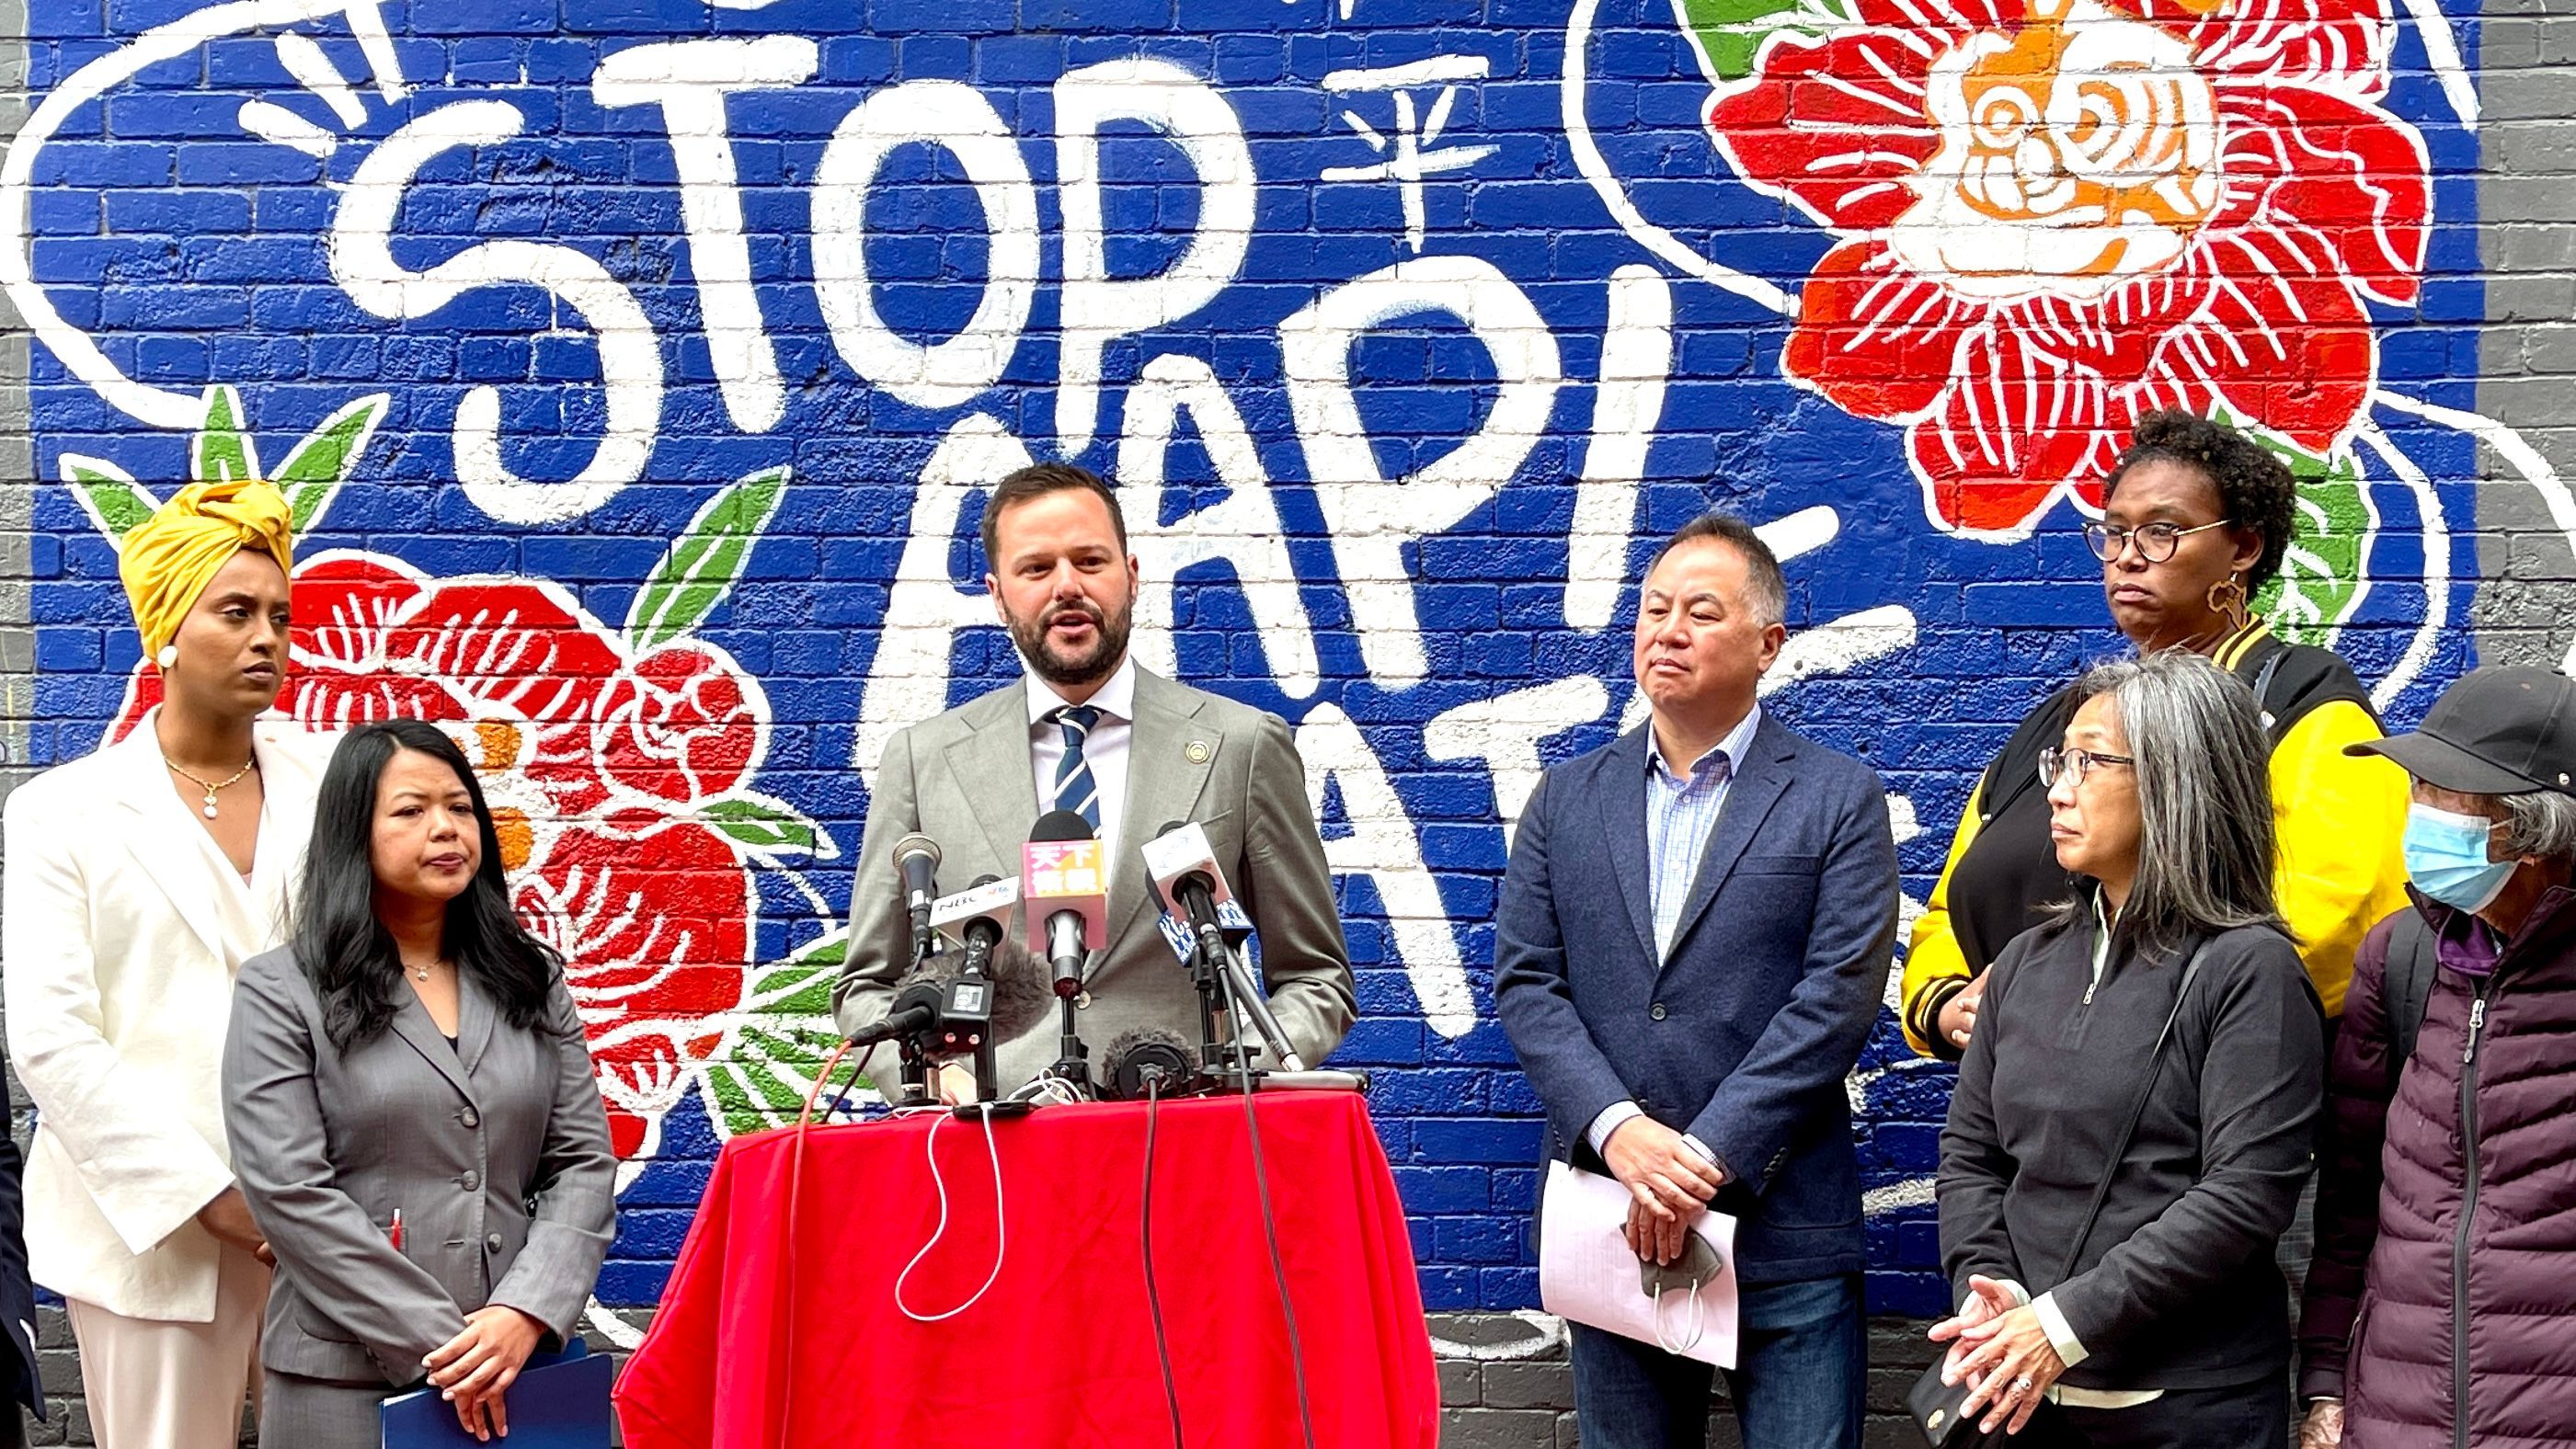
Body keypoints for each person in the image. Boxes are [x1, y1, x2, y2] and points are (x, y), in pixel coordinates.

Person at [1494, 514, 1898, 1449]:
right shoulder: (1566, 797)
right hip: (1610, 1217)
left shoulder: (1835, 796)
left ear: (1767, 645)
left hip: (1782, 1223)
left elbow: (1835, 998)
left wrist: (1698, 1161)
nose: (1665, 629)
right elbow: (1526, 984)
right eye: (1652, 608)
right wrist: (1620, 1131)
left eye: (1698, 612)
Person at [833, 462, 1356, 1092]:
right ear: (998, 595)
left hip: (1183, 1146)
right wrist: (939, 1076)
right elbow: (866, 988)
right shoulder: (923, 761)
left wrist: (1228, 1076)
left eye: (1089, 561)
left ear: (1131, 577)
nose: (1066, 587)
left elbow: (1316, 978)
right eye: (1036, 569)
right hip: (995, 1148)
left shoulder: (1241, 746)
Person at [1902, 410, 2409, 1057]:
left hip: (2192, 1113)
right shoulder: (2057, 725)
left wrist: (2103, 1008)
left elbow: (2335, 917)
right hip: (2017, 1110)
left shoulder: (2301, 705)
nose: (2127, 559)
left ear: (2244, 547)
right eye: (2113, 534)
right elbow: (1950, 906)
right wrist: (1950, 1004)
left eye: (2161, 532)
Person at [1, 478, 331, 1448]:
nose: (267, 637)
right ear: (166, 631)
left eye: (279, 614)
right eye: (235, 612)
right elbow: (54, 1040)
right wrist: (215, 1199)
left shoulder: (335, 779)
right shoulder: (65, 811)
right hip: (148, 1226)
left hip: (324, 1210)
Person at [1934, 652, 2325, 1446]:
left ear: (2176, 781)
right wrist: (1989, 1286)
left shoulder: (2250, 968)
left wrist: (2064, 1323)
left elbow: (2244, 1193)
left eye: (2090, 761)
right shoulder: (2025, 962)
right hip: (2018, 1398)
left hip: (2184, 1407)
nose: (2058, 786)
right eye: (2059, 759)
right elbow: (1971, 1154)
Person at [222, 720, 616, 1446]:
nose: (445, 828)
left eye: (460, 808)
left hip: (522, 1363)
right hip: (342, 1379)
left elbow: (583, 1164)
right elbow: (290, 1192)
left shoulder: (531, 980)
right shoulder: (282, 991)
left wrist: (523, 1314)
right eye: (411, 810)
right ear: (354, 833)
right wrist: (454, 1350)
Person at [2296, 666, 2576, 1449]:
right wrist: (2324, 1382)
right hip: (2395, 1416)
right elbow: (2350, 1201)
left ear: (2528, 834)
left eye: (2443, 795)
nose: (2415, 816)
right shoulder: (2401, 958)